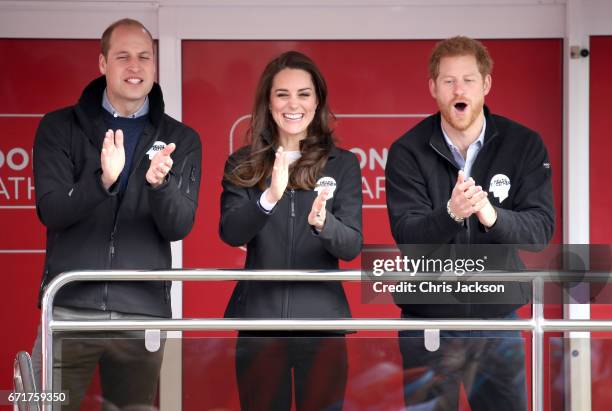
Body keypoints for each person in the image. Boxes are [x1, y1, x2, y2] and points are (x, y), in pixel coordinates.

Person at [31, 18, 201, 410]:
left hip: (141, 315)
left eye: (144, 57)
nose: (134, 66)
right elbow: (52, 210)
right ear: (103, 64)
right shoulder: (58, 127)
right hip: (68, 312)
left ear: (154, 66)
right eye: (122, 56)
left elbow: (179, 225)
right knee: (43, 405)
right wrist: (102, 181)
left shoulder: (181, 139)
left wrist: (160, 185)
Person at [385, 36, 554, 410]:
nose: (458, 90)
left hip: (499, 320)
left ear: (486, 84)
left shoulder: (523, 144)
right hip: (427, 320)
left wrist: (492, 216)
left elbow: (540, 231)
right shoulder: (407, 150)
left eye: (468, 79)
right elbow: (408, 238)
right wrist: (452, 213)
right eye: (448, 81)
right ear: (433, 87)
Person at [219, 50, 362, 411]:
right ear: (268, 102)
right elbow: (231, 232)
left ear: (317, 102)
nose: (293, 104)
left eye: (303, 94)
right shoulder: (243, 162)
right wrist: (269, 197)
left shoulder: (343, 164)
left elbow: (351, 246)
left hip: (323, 324)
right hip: (260, 325)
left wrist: (323, 223)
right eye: (282, 94)